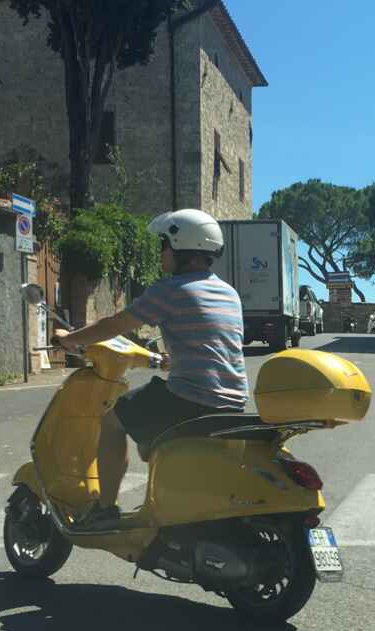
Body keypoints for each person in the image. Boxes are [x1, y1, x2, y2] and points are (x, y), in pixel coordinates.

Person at [54, 209, 249, 529]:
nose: (161, 254)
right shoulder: (228, 293)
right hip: (233, 400)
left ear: (178, 246)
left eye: (163, 246)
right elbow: (212, 339)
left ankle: (105, 508)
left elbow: (115, 324)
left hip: (192, 398)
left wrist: (71, 340)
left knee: (114, 421)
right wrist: (175, 358)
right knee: (148, 424)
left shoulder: (171, 289)